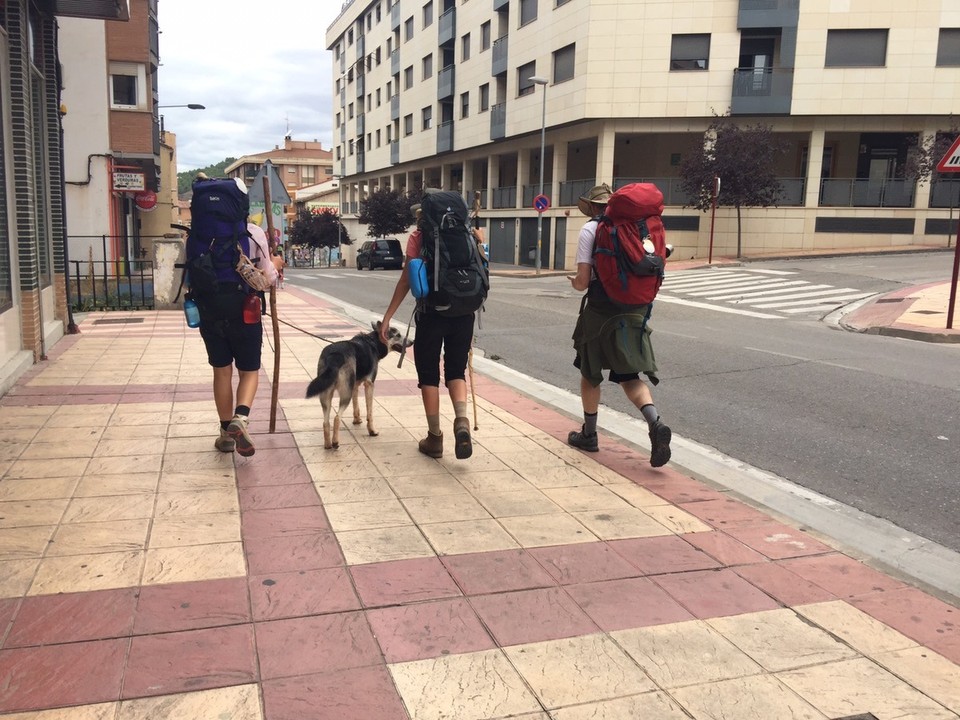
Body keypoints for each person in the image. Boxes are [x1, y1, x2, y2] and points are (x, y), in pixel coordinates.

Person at [566, 184, 672, 467]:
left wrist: (574, 282)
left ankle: (589, 434)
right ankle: (655, 422)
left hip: (601, 309)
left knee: (589, 372)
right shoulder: (644, 227)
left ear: (592, 207)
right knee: (629, 374)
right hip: (636, 308)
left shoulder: (591, 230)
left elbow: (583, 281)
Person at [379, 202, 475, 460]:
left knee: (429, 375)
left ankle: (435, 438)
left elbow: (406, 280)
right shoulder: (468, 234)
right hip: (464, 313)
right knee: (456, 370)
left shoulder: (419, 238)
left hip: (431, 314)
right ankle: (462, 421)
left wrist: (388, 317)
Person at [187, 216, 277, 457]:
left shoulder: (197, 234)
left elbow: (190, 278)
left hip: (209, 311)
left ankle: (226, 435)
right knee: (249, 371)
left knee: (222, 371)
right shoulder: (253, 233)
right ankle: (241, 417)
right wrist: (276, 263)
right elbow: (267, 278)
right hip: (245, 309)